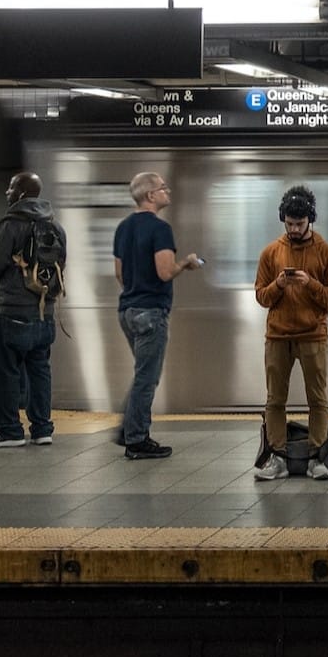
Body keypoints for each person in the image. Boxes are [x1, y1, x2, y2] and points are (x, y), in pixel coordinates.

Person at [252, 185, 328, 482]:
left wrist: (310, 284)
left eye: (299, 224)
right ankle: (277, 458)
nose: (293, 229)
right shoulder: (270, 253)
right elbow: (261, 297)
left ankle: (316, 458)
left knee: (317, 399)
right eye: (289, 223)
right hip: (277, 337)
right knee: (274, 400)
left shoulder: (326, 253)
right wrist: (278, 285)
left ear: (310, 220)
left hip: (313, 335)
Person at [111, 171, 200, 460]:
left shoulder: (123, 227)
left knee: (142, 374)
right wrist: (184, 263)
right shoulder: (160, 229)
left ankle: (127, 429)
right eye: (163, 188)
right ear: (151, 196)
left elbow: (119, 274)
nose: (167, 191)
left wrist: (137, 290)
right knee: (147, 378)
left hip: (127, 310)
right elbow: (164, 271)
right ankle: (136, 440)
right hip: (151, 311)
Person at [0, 171, 66, 450]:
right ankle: (42, 429)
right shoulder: (56, 226)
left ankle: (9, 431)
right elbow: (60, 267)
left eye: (11, 187)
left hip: (13, 312)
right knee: (40, 371)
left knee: (4, 372)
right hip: (46, 313)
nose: (7, 192)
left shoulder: (12, 223)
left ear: (22, 193)